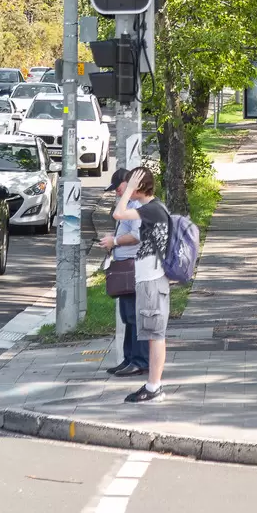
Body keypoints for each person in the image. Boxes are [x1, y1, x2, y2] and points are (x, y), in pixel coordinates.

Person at [112, 165, 171, 403]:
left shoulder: (152, 210)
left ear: (139, 186)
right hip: (150, 279)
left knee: (155, 334)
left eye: (132, 184)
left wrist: (128, 190)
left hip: (152, 280)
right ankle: (153, 384)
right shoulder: (152, 209)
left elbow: (119, 213)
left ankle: (154, 387)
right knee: (152, 333)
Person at [100, 168, 149, 379]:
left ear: (127, 183)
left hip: (133, 266)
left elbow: (138, 235)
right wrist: (114, 238)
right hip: (126, 266)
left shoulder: (136, 205)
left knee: (135, 316)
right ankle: (130, 359)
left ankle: (140, 361)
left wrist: (116, 241)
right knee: (128, 316)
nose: (117, 193)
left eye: (118, 188)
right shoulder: (129, 205)